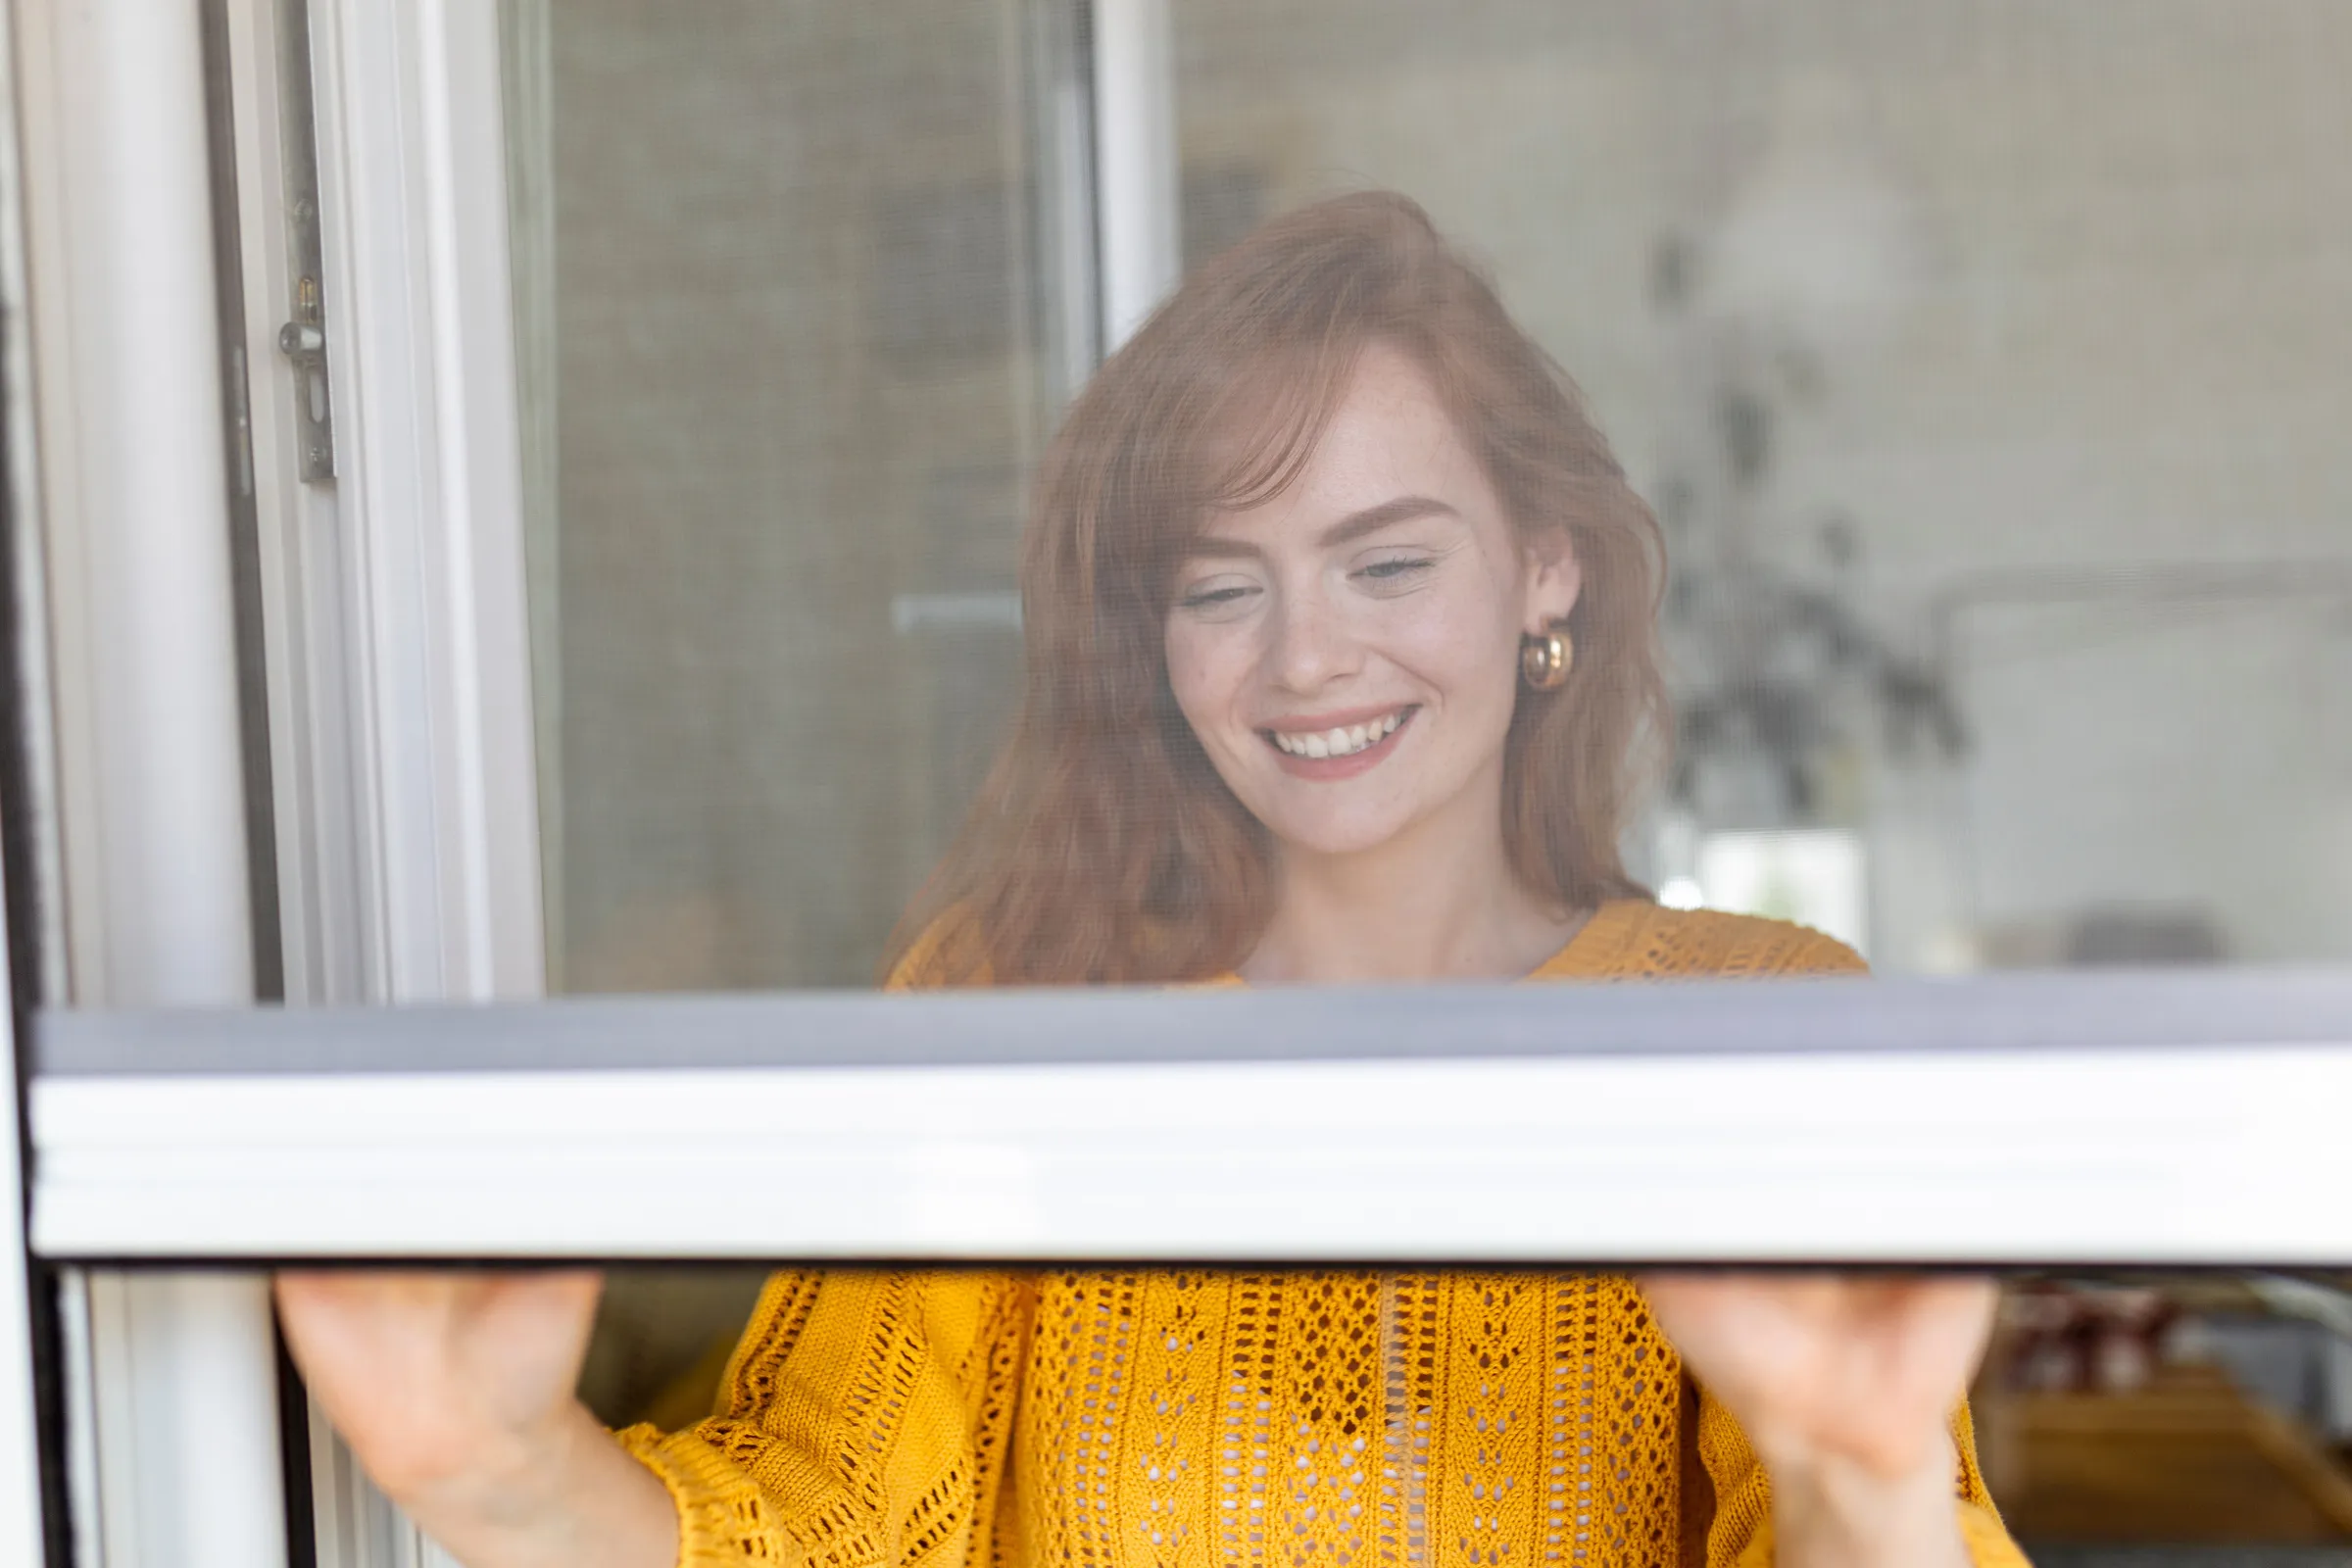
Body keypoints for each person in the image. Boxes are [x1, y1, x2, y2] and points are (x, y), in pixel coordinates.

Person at [278, 192, 2022, 1568]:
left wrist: (1857, 1486)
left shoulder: (1757, 1024)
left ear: (1544, 570)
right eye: (1219, 588)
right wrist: (492, 1471)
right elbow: (827, 1528)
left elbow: (1860, 1525)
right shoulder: (1014, 1004)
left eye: (1387, 561)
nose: (1306, 661)